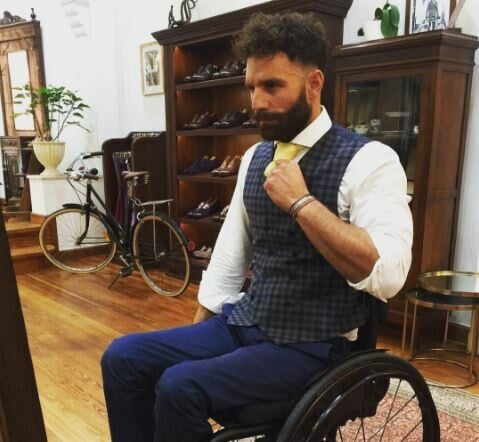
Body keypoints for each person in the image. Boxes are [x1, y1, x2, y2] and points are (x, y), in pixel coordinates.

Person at [101, 12, 413, 442]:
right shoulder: (254, 158)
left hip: (316, 345)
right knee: (123, 357)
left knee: (180, 386)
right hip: (246, 323)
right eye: (251, 87)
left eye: (272, 86)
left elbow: (390, 275)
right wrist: (197, 336)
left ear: (313, 84)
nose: (257, 101)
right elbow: (230, 258)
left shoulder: (370, 160)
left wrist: (302, 203)